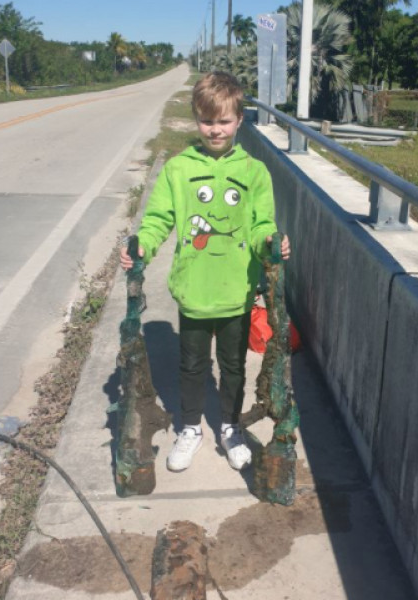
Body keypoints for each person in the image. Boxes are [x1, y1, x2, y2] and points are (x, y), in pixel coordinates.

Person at [119, 71, 291, 472]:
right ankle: (191, 426)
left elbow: (262, 223)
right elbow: (159, 219)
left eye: (224, 121)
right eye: (207, 121)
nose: (216, 130)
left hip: (237, 290)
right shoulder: (179, 169)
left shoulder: (255, 172)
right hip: (194, 290)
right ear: (196, 118)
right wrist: (143, 244)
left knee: (233, 367)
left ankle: (231, 426)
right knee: (192, 366)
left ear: (239, 120)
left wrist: (272, 242)